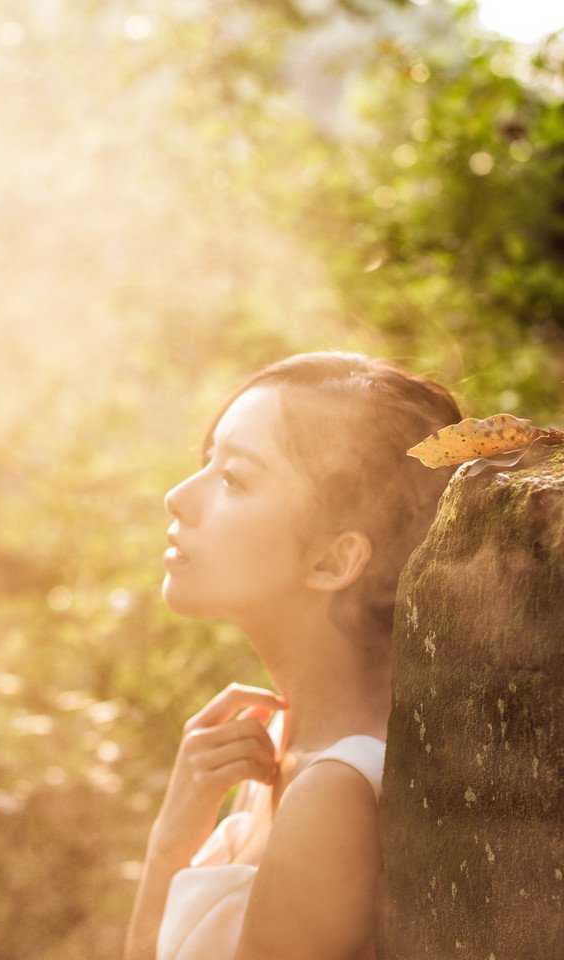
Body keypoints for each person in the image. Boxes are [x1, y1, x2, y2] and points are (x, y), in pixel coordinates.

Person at [125, 351, 461, 960]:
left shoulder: (336, 791)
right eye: (206, 463)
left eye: (234, 478)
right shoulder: (280, 746)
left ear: (334, 561)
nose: (177, 498)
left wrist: (169, 853)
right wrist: (170, 843)